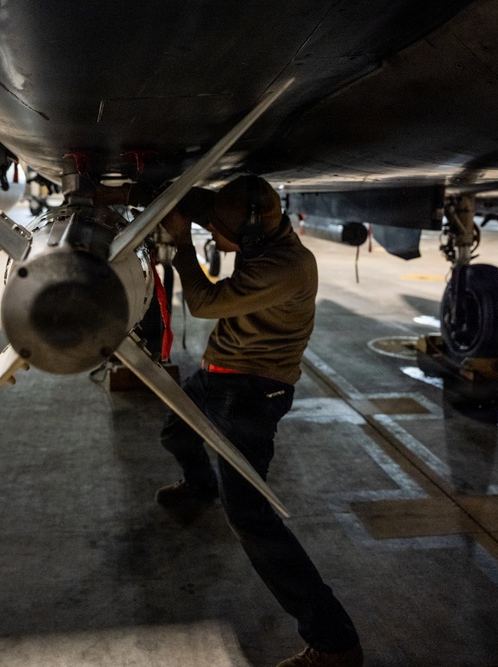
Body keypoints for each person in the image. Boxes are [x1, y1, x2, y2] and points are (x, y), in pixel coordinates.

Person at [156, 175, 363, 667]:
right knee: (176, 431)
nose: (211, 234)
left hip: (251, 391)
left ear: (248, 235)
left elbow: (203, 304)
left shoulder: (287, 266)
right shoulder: (255, 225)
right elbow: (204, 206)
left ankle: (334, 643)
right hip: (221, 374)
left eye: (216, 232)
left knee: (249, 515)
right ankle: (201, 485)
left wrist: (182, 245)